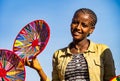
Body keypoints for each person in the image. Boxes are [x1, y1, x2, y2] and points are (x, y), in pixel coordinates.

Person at [25, 8, 116, 81]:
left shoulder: (102, 51)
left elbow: (112, 79)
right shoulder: (58, 54)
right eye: (75, 22)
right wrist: (39, 70)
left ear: (91, 29)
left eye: (84, 25)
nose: (77, 27)